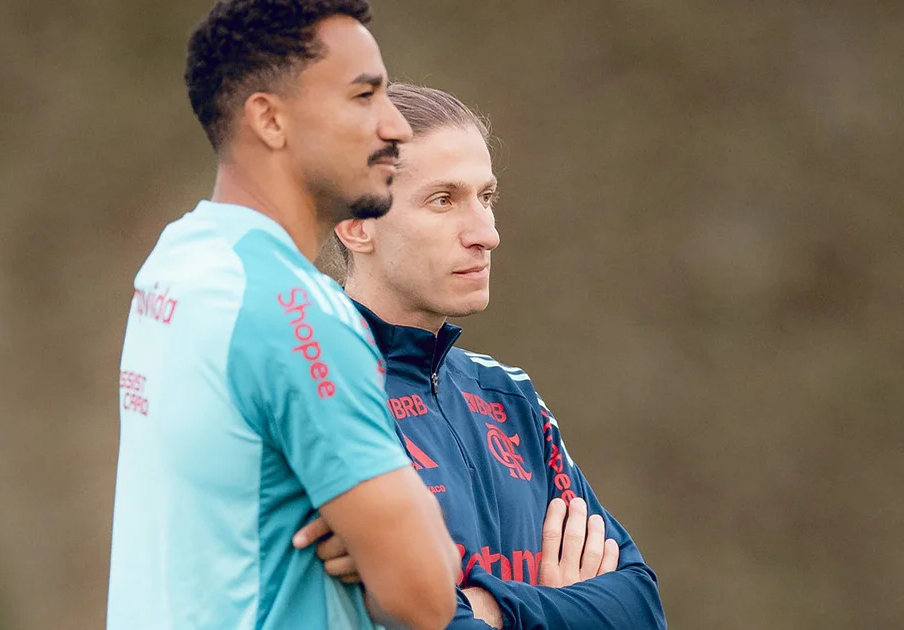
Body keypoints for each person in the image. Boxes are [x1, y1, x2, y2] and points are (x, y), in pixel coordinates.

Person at [106, 5, 459, 629]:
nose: (397, 125)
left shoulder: (179, 259)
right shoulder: (303, 312)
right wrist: (393, 547)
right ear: (269, 118)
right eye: (363, 96)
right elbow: (425, 599)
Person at [299, 84, 667, 628]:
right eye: (443, 200)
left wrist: (489, 608)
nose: (486, 233)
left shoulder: (510, 397)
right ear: (355, 224)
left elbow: (640, 605)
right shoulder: (315, 395)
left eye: (486, 197)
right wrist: (560, 611)